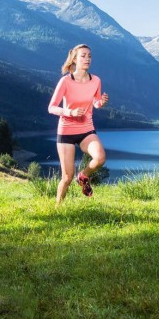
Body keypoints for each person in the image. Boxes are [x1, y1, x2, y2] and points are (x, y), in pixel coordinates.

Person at [48, 44, 108, 205]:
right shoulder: (66, 81)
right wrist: (70, 112)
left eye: (89, 55)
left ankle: (83, 176)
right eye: (83, 55)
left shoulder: (96, 80)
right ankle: (58, 208)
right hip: (66, 131)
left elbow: (95, 101)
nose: (87, 58)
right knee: (66, 177)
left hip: (86, 128)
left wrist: (100, 103)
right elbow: (51, 107)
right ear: (74, 59)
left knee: (100, 157)